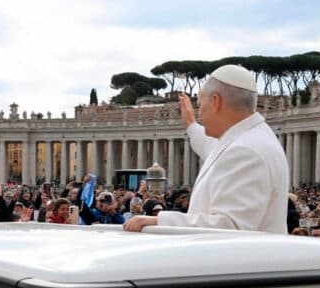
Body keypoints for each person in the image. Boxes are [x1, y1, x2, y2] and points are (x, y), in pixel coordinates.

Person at [124, 65, 290, 234]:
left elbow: (229, 227)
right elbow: (212, 150)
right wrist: (190, 125)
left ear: (216, 101)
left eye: (200, 103)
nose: (199, 113)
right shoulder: (250, 139)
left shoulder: (246, 151)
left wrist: (160, 220)